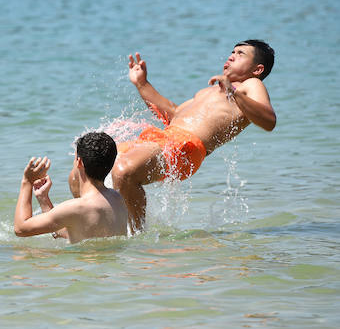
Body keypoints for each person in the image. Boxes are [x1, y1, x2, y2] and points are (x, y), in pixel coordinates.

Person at [112, 41, 276, 232]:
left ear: (258, 69)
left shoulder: (251, 85)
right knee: (87, 163)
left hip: (186, 148)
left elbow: (269, 121)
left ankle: (136, 236)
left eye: (240, 54)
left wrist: (235, 92)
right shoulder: (208, 91)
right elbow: (173, 114)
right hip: (162, 139)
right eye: (232, 52)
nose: (231, 56)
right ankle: (94, 223)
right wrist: (142, 84)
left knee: (125, 172)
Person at [14, 132, 128, 243]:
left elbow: (20, 229)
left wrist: (27, 182)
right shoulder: (117, 199)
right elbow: (78, 234)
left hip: (86, 262)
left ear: (79, 162)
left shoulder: (76, 207)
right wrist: (44, 200)